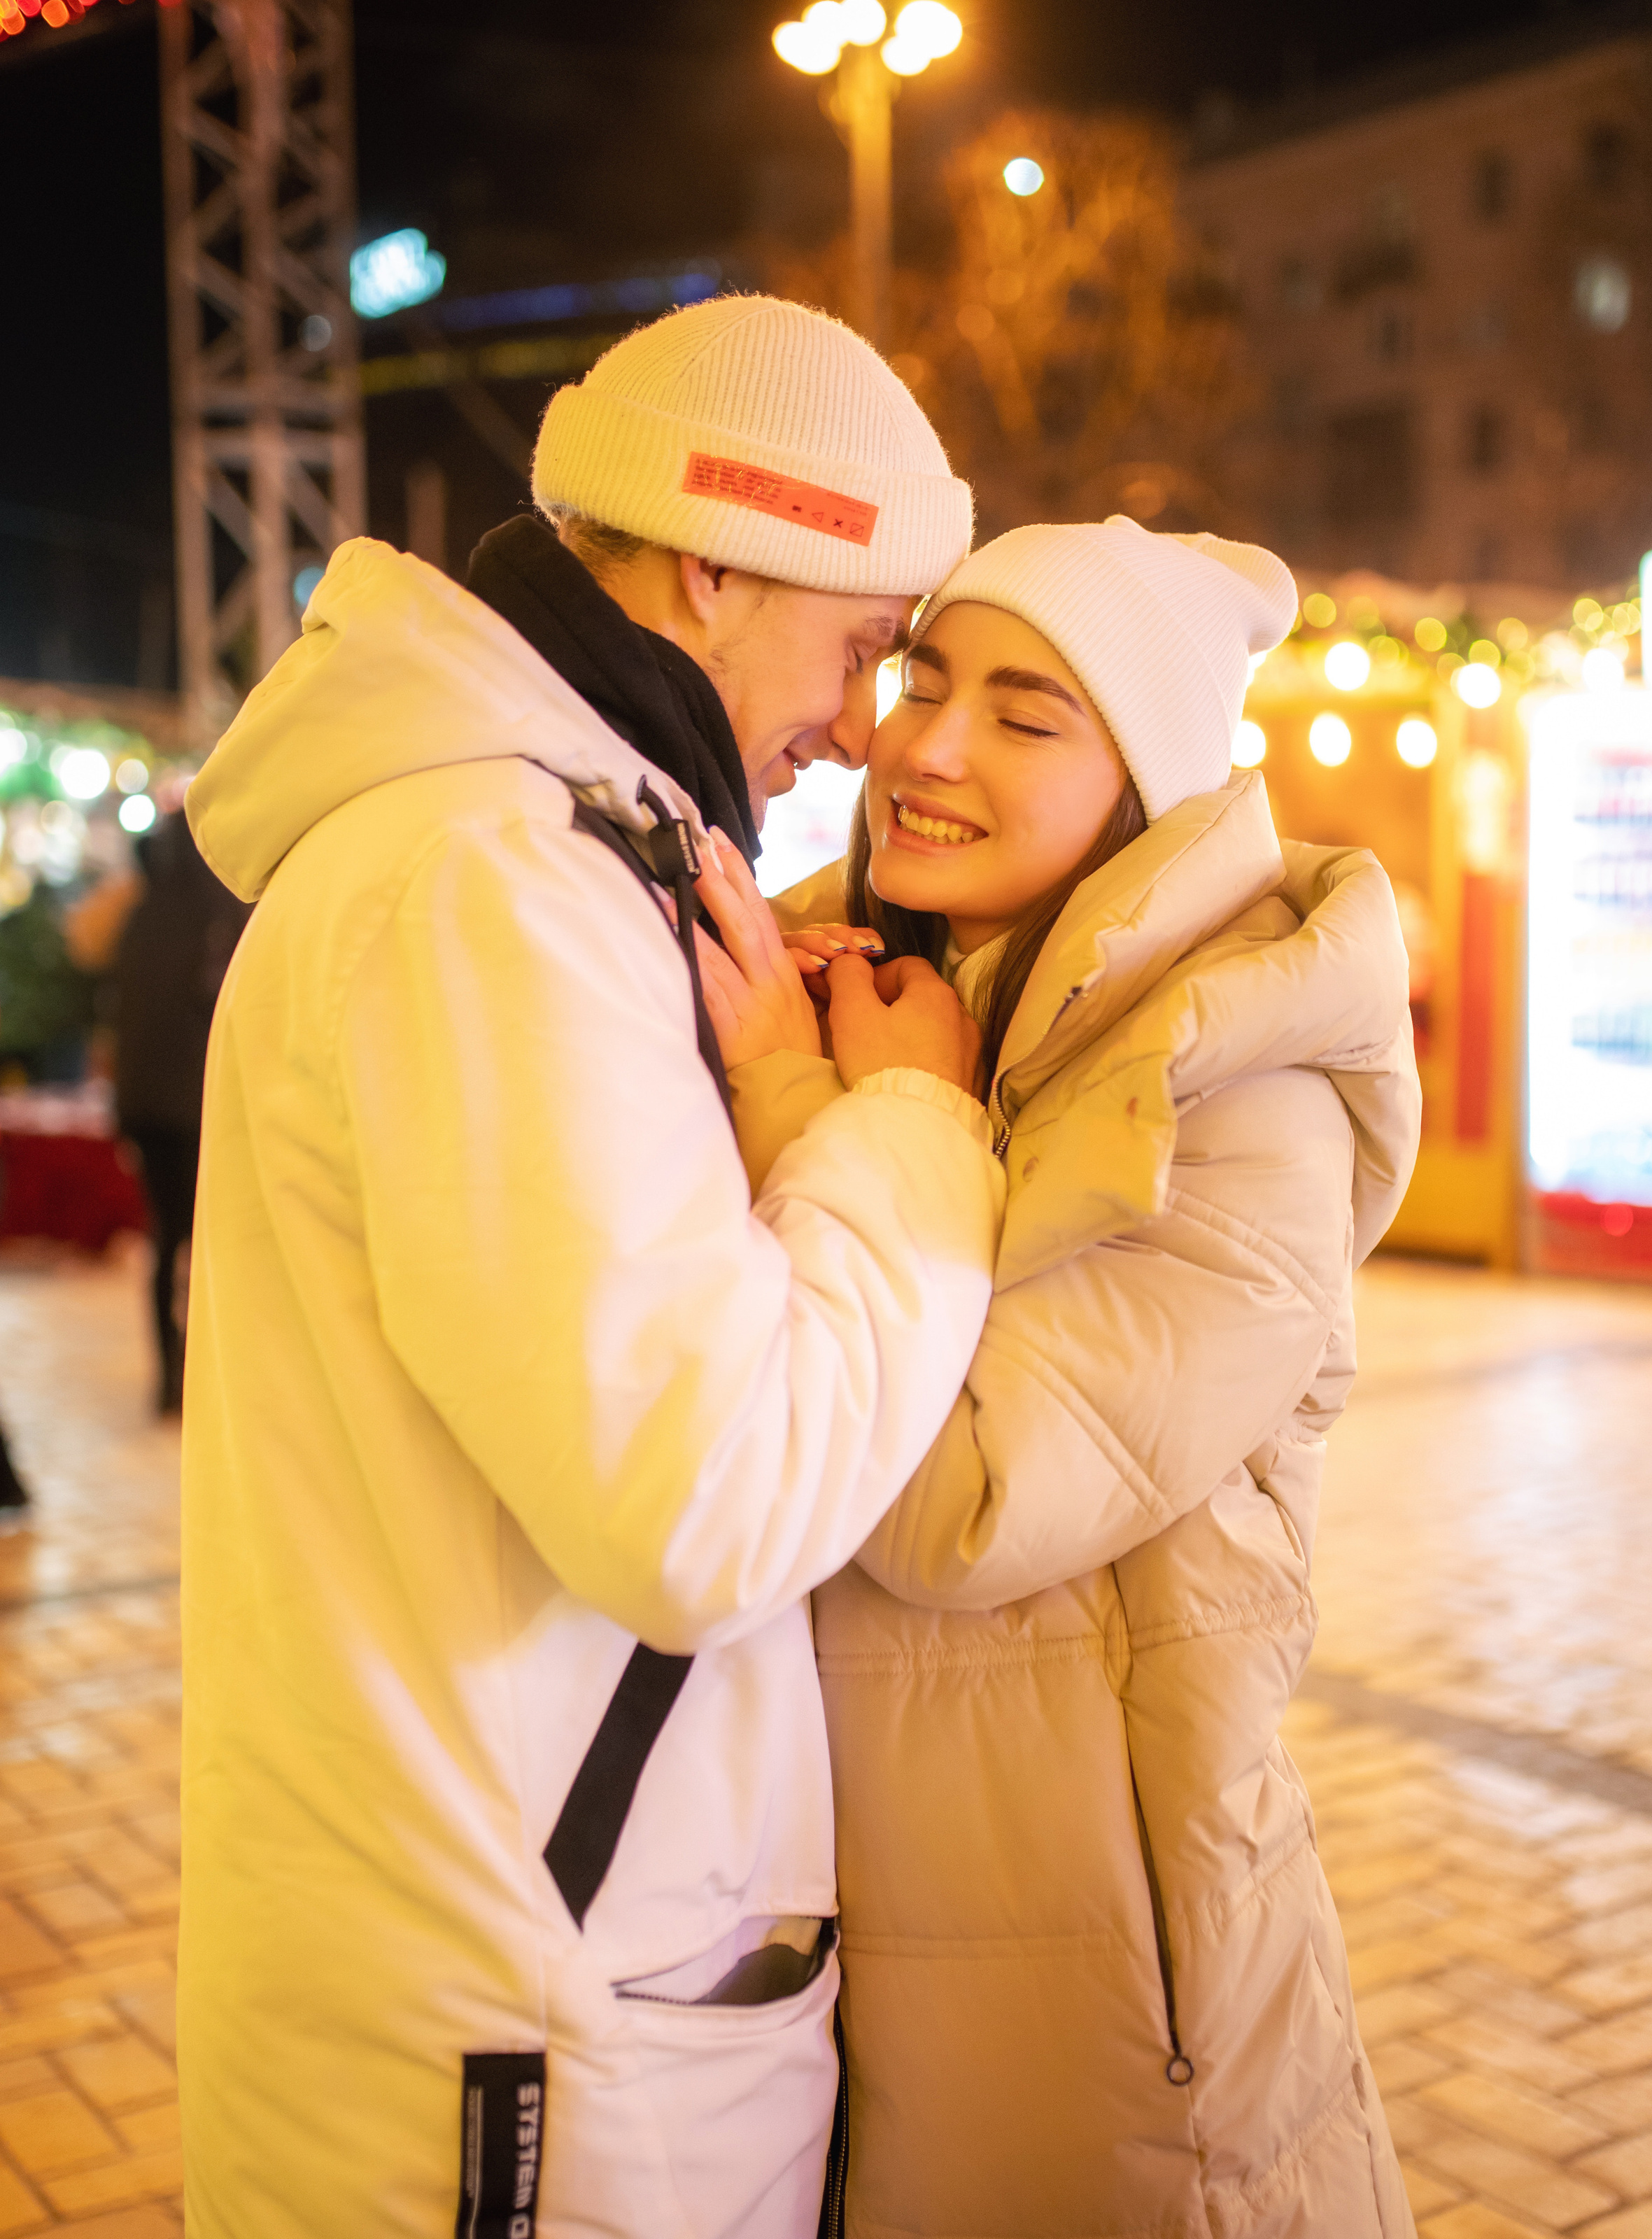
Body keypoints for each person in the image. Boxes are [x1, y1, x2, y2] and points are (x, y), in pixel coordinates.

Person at [177, 296, 1003, 2239]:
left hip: (532, 1977)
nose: (863, 728)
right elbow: (697, 1497)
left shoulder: (525, 853)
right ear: (714, 561)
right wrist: (904, 1131)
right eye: (864, 644)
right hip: (527, 2047)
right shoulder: (496, 889)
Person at [710, 518, 1422, 2237]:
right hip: (837, 1945)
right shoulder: (860, 986)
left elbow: (955, 1504)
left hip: (1100, 1992)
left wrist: (848, 1114)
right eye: (925, 679)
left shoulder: (1243, 1100)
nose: (926, 748)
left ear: (1142, 784)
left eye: (1028, 717)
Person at [108, 808, 251, 1414]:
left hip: (144, 1108)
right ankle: (196, 1374)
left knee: (166, 1239)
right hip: (195, 1107)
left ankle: (170, 1374)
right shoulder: (220, 917)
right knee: (211, 1244)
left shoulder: (139, 917)